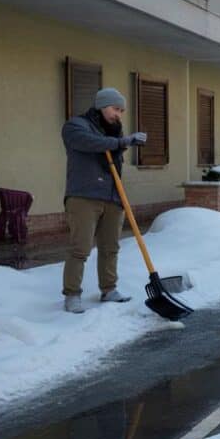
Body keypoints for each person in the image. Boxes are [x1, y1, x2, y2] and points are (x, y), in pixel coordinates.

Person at [61, 88, 147, 314]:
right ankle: (72, 295)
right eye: (115, 109)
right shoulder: (76, 126)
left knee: (110, 248)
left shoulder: (114, 132)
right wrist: (122, 142)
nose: (119, 114)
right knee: (80, 248)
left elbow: (112, 153)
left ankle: (109, 289)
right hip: (84, 196)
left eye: (121, 110)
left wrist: (122, 142)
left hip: (112, 197)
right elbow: (89, 143)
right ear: (101, 105)